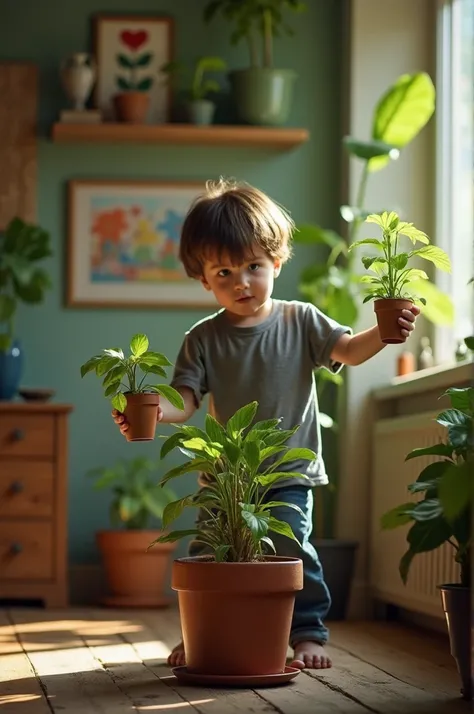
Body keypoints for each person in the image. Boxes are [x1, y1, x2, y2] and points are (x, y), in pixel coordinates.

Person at [112, 178, 419, 670]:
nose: (242, 282)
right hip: (225, 477)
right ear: (204, 280)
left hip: (287, 472)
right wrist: (147, 411)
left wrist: (383, 334)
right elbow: (185, 402)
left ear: (276, 261)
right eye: (224, 272)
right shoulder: (203, 338)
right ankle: (202, 634)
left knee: (291, 546)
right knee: (209, 556)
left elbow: (349, 351)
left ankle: (307, 633)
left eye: (254, 266)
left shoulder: (302, 320)